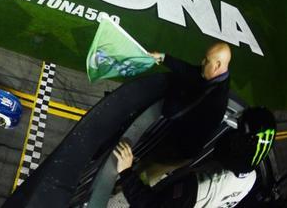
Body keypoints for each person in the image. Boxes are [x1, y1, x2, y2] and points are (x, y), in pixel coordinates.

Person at [112, 106, 276, 208]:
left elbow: (148, 205)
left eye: (236, 135)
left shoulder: (203, 184)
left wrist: (126, 172)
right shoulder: (250, 178)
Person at [145, 42, 231, 172]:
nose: (202, 62)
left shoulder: (213, 98)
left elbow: (171, 112)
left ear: (217, 66)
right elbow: (190, 71)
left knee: (147, 173)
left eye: (207, 61)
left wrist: (175, 85)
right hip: (179, 139)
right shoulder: (218, 77)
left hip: (179, 151)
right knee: (147, 165)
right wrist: (163, 57)